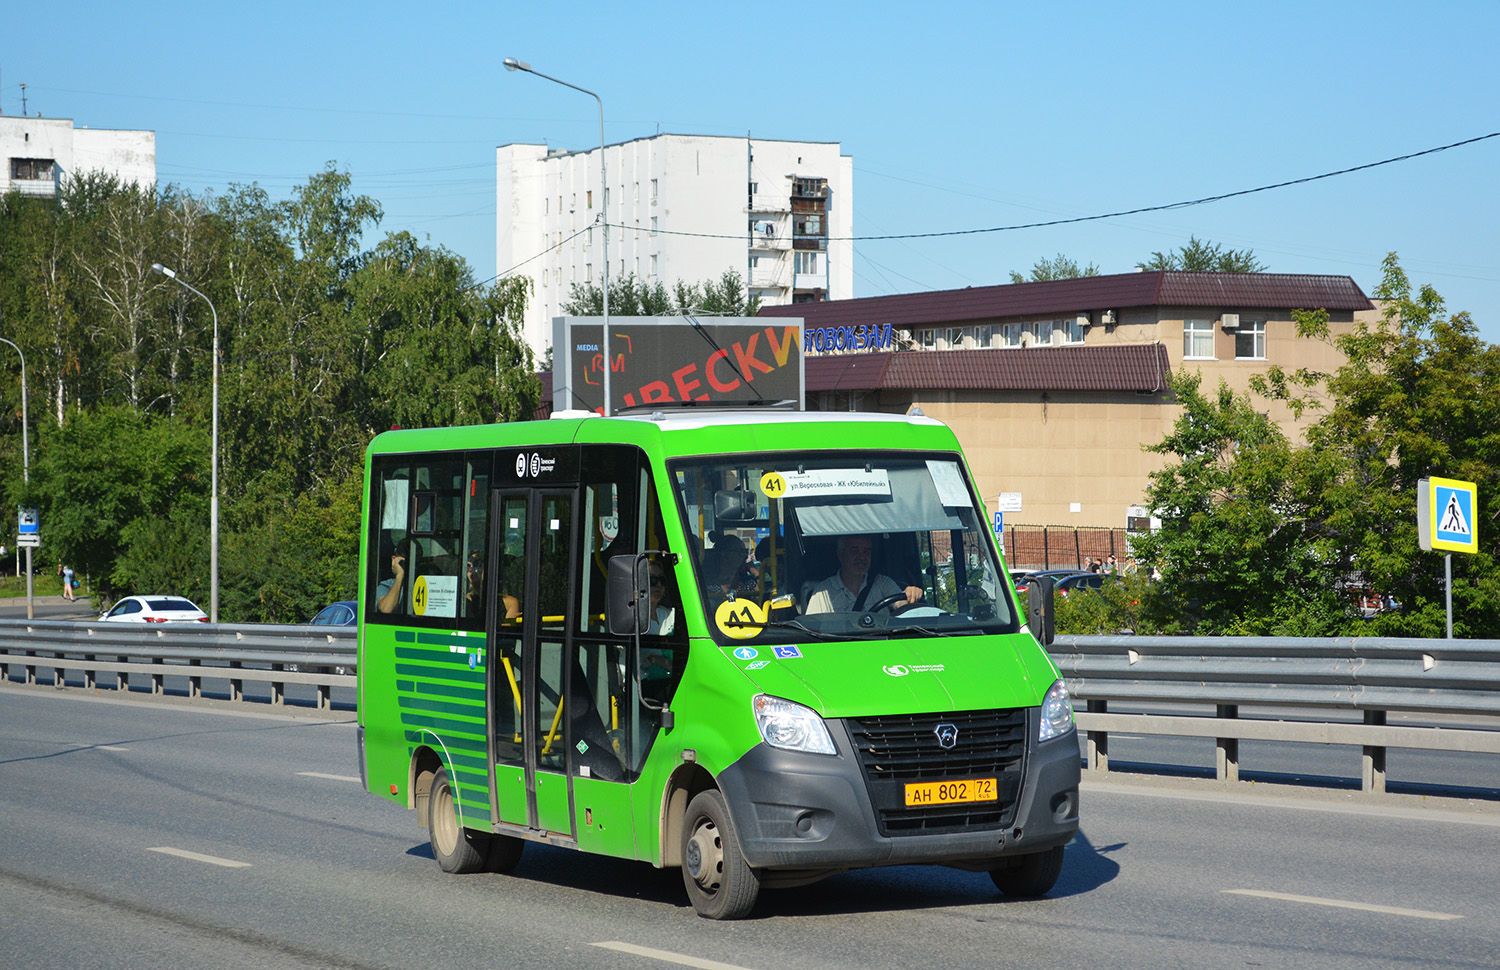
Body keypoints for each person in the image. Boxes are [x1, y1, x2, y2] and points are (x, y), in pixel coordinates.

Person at [804, 534, 922, 615]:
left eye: (866, 551)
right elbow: (812, 631)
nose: (862, 556)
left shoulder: (882, 583)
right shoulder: (823, 592)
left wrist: (910, 595)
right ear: (841, 555)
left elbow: (901, 605)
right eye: (855, 550)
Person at [645, 560, 676, 636]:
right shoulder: (631, 619)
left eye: (662, 580)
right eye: (652, 579)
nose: (659, 584)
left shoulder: (672, 615)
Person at [376, 549, 406, 614]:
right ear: (394, 559)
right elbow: (386, 609)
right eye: (404, 561)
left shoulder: (424, 583)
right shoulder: (386, 586)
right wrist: (399, 576)